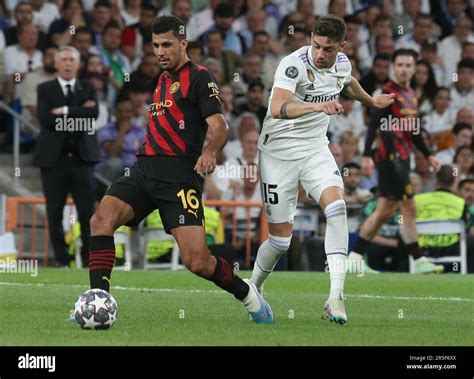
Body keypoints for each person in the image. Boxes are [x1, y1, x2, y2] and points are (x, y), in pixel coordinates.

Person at [87, 15, 273, 324]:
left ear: (183, 44)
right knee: (101, 220)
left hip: (178, 176)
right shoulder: (160, 80)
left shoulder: (200, 77)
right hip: (144, 168)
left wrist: (210, 152)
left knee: (197, 261)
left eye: (167, 45)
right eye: (156, 45)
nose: (160, 51)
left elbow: (220, 125)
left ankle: (249, 294)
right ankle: (97, 303)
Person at [249, 14, 395, 325]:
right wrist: (318, 106)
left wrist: (370, 101)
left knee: (337, 207)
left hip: (316, 149)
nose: (319, 54)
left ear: (342, 46)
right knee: (280, 242)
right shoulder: (293, 65)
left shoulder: (342, 63)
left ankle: (336, 295)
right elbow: (277, 108)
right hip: (278, 154)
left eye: (327, 49)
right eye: (316, 45)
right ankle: (254, 287)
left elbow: (347, 82)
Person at [350, 48, 442, 274]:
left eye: (408, 65)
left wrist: (428, 154)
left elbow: (414, 131)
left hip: (402, 158)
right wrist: (366, 155)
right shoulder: (387, 92)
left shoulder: (410, 94)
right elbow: (373, 124)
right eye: (399, 65)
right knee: (407, 207)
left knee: (385, 211)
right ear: (393, 67)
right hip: (389, 159)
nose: (403, 69)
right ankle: (418, 259)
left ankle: (354, 257)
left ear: (414, 69)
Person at [33, 45, 99, 267]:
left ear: (79, 64)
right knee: (54, 212)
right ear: (56, 63)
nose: (68, 63)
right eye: (64, 59)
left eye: (72, 59)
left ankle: (88, 258)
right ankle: (62, 259)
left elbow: (93, 115)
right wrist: (78, 112)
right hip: (53, 161)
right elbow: (45, 119)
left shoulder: (88, 87)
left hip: (82, 159)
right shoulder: (45, 88)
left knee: (86, 212)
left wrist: (63, 111)